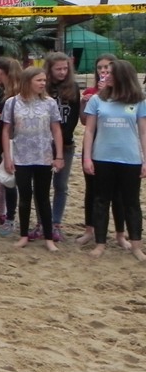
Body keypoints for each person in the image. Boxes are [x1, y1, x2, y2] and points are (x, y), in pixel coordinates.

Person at [82, 59, 146, 261]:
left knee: (131, 203)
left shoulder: (138, 101)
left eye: (110, 72)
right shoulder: (97, 100)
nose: (105, 75)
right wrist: (87, 158)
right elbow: (89, 131)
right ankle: (100, 244)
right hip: (102, 158)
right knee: (101, 201)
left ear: (122, 76)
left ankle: (136, 246)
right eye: (105, 72)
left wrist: (145, 160)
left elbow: (143, 133)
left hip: (130, 159)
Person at [1, 66, 64, 251]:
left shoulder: (49, 103)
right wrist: (7, 157)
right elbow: (6, 131)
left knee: (43, 197)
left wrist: (59, 155)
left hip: (44, 155)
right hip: (21, 156)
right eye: (39, 80)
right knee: (25, 197)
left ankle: (48, 238)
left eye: (44, 80)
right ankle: (23, 235)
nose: (43, 83)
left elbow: (56, 129)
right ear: (28, 81)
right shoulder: (12, 102)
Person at [76, 53, 126, 247]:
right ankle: (90, 230)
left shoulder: (124, 93)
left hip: (116, 146)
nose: (104, 71)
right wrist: (84, 102)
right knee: (92, 190)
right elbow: (84, 122)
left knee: (118, 193)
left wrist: (108, 93)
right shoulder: (91, 91)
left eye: (107, 68)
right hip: (94, 145)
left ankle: (120, 234)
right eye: (100, 68)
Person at [43, 51, 79, 240]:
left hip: (65, 144)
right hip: (43, 142)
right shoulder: (43, 87)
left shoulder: (72, 87)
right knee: (41, 185)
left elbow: (73, 118)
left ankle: (56, 223)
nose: (63, 72)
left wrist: (61, 140)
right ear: (49, 69)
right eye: (58, 69)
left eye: (65, 68)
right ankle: (42, 222)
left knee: (61, 185)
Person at [0, 58, 22, 236]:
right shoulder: (3, 91)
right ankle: (4, 216)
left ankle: (10, 219)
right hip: (1, 141)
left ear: (1, 72)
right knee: (5, 180)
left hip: (10, 142)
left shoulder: (14, 95)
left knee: (10, 181)